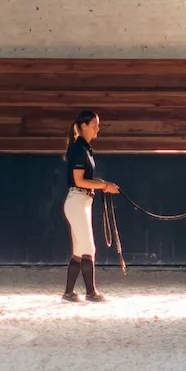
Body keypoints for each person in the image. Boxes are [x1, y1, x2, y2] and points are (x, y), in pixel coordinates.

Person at [63, 110, 119, 302]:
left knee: (79, 250)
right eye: (94, 125)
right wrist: (104, 186)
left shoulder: (83, 148)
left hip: (81, 201)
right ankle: (91, 292)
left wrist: (102, 184)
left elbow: (84, 180)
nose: (97, 129)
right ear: (84, 125)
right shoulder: (80, 149)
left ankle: (69, 293)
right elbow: (79, 180)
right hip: (78, 201)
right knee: (89, 248)